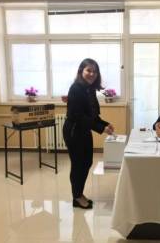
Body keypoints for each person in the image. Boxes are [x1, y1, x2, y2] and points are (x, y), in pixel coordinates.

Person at [63, 58, 114, 209]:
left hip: (84, 130)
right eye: (88, 70)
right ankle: (77, 197)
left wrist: (105, 124)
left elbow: (92, 115)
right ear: (81, 71)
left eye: (94, 71)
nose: (92, 74)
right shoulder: (76, 89)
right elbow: (79, 116)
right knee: (78, 164)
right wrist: (101, 129)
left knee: (87, 162)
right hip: (73, 131)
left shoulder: (90, 89)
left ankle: (79, 194)